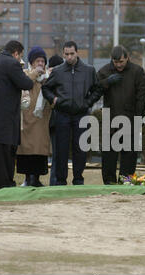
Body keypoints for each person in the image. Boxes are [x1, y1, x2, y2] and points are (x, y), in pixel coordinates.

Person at [0, 41, 39, 190]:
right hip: (3, 120)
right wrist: (34, 74)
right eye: (20, 56)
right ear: (16, 53)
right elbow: (26, 84)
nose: (20, 59)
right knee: (3, 154)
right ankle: (4, 182)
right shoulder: (11, 63)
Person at [42, 41, 101, 186]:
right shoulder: (58, 71)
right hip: (62, 114)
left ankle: (78, 179)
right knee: (61, 149)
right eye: (66, 54)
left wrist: (88, 103)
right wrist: (54, 100)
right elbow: (46, 88)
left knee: (80, 149)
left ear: (77, 53)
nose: (69, 57)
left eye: (72, 54)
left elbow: (97, 89)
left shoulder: (89, 71)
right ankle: (61, 181)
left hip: (81, 115)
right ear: (63, 54)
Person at [97, 45, 145, 185]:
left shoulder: (137, 72)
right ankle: (109, 182)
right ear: (111, 60)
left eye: (121, 62)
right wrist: (106, 82)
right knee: (108, 155)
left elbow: (142, 96)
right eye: (116, 62)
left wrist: (138, 117)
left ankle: (126, 181)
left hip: (130, 119)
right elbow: (95, 90)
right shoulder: (104, 72)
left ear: (127, 58)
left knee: (129, 155)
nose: (119, 65)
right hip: (110, 119)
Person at [16, 46, 52, 187]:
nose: (40, 64)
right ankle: (27, 178)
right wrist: (34, 74)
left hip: (41, 120)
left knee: (39, 151)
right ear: (31, 62)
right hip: (26, 120)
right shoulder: (25, 74)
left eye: (43, 61)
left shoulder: (47, 78)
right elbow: (23, 83)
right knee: (26, 150)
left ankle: (36, 178)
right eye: (38, 61)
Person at [47, 54, 64, 186]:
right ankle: (55, 181)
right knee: (57, 155)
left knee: (58, 155)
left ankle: (56, 180)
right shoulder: (49, 80)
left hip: (56, 121)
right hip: (52, 122)